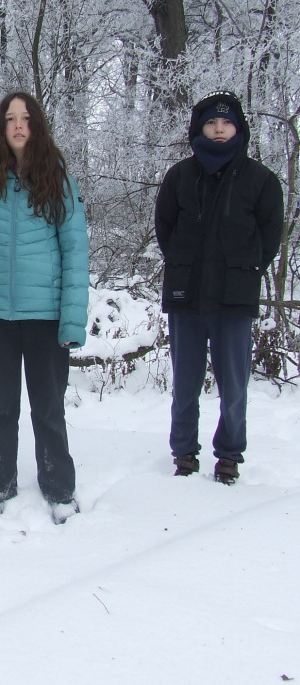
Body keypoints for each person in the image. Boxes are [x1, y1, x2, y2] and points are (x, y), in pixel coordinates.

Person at [0, 92, 89, 523]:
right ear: (0, 128)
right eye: (10, 118)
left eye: (25, 118)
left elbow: (75, 253)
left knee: (48, 408)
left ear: (37, 125)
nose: (18, 125)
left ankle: (59, 489)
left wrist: (71, 320)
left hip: (45, 317)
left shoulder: (58, 182)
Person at [155, 90, 283, 485]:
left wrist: (244, 269)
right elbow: (165, 229)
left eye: (226, 123)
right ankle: (184, 451)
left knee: (233, 384)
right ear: (200, 129)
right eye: (211, 123)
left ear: (238, 128)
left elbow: (269, 235)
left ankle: (229, 454)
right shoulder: (179, 176)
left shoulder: (261, 180)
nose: (219, 129)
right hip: (186, 295)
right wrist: (183, 263)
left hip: (234, 298)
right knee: (186, 382)